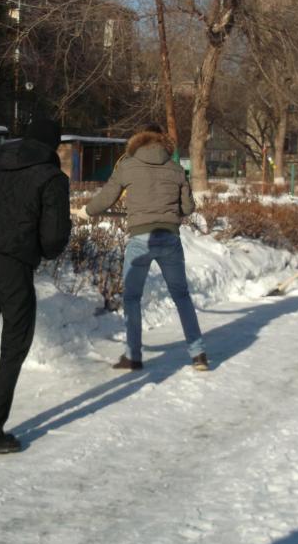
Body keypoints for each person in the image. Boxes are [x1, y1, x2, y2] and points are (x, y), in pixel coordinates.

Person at [0, 118, 72, 453]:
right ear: (53, 146)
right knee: (15, 342)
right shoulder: (51, 178)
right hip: (14, 265)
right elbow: (53, 238)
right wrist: (38, 247)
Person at [76, 124, 208, 372]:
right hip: (169, 238)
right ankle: (198, 353)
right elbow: (188, 208)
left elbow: (107, 197)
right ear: (163, 142)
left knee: (132, 297)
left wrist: (87, 210)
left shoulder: (128, 165)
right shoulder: (176, 168)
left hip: (140, 239)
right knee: (181, 296)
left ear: (140, 141)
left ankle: (133, 356)